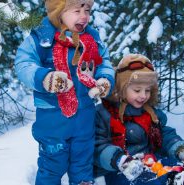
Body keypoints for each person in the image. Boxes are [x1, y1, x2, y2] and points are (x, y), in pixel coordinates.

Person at [14, 0, 115, 184]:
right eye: (77, 10)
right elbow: (23, 63)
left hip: (84, 120)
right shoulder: (42, 37)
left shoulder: (91, 39)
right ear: (58, 11)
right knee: (52, 166)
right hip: (53, 121)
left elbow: (104, 62)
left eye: (87, 10)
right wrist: (45, 77)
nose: (84, 16)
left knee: (82, 166)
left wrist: (104, 79)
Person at [93, 54, 184, 185]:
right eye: (137, 90)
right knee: (147, 178)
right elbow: (99, 146)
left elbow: (165, 135)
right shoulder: (107, 114)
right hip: (121, 170)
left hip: (150, 161)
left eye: (147, 90)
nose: (143, 95)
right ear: (122, 88)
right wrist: (120, 160)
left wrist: (179, 148)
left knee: (172, 163)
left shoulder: (150, 113)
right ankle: (179, 180)